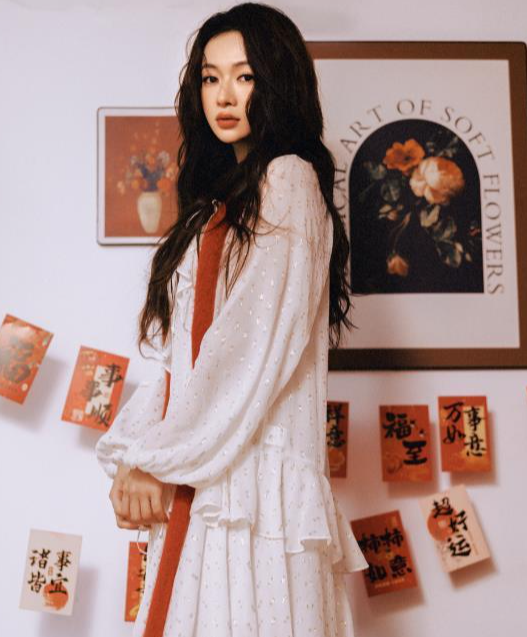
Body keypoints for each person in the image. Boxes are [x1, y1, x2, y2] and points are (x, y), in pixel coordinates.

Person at [95, 3, 368, 636]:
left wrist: (155, 458)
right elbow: (179, 364)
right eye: (210, 77)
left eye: (244, 77)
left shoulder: (289, 181)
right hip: (211, 480)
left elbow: (249, 351)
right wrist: (138, 455)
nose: (223, 96)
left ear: (277, 82)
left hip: (250, 488)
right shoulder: (214, 205)